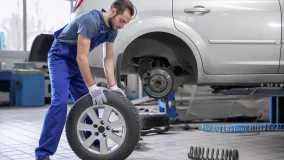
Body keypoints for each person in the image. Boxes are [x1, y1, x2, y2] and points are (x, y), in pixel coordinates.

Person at [34, 0, 134, 159]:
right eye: (122, 21)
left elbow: (107, 59)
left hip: (76, 63)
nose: (122, 26)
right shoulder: (90, 21)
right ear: (113, 11)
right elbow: (82, 57)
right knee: (59, 103)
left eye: (125, 23)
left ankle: (91, 144)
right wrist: (93, 86)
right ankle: (43, 154)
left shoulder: (112, 30)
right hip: (60, 58)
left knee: (89, 106)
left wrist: (113, 85)